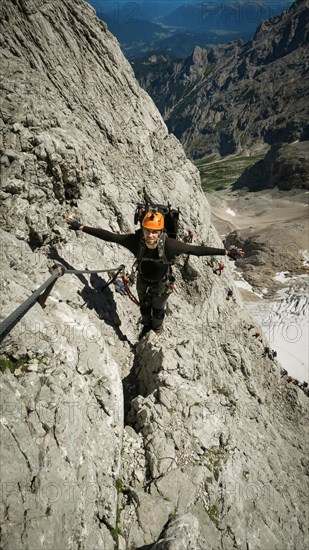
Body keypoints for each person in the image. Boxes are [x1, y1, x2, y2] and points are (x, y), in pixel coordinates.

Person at [66, 212, 244, 338]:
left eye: (154, 232)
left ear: (160, 232)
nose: (150, 235)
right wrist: (81, 227)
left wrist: (226, 253)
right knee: (144, 307)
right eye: (147, 231)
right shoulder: (135, 241)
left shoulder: (170, 246)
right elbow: (110, 236)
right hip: (143, 281)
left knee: (158, 310)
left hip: (162, 284)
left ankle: (156, 330)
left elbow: (196, 250)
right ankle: (145, 327)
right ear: (142, 230)